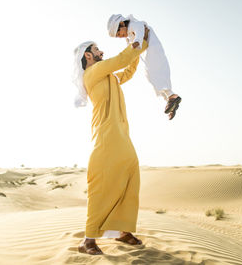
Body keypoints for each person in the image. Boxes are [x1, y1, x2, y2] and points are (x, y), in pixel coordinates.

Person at [72, 27, 150, 255]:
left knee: (130, 176)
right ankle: (88, 240)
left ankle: (123, 231)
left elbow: (127, 70)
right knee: (102, 185)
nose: (100, 51)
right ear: (88, 55)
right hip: (106, 137)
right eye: (96, 49)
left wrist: (137, 52)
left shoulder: (109, 76)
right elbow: (120, 60)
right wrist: (140, 42)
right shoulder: (93, 73)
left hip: (122, 135)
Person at [107, 14, 182, 120]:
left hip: (154, 50)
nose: (120, 36)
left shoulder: (134, 25)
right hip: (147, 56)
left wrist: (137, 41)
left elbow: (140, 29)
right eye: (117, 36)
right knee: (150, 76)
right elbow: (130, 50)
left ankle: (171, 97)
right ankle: (170, 99)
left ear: (122, 24)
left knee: (158, 73)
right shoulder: (128, 37)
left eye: (119, 33)